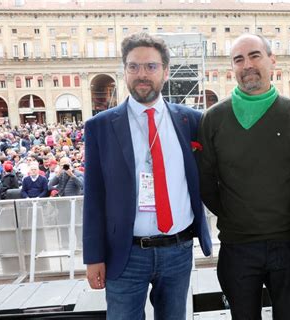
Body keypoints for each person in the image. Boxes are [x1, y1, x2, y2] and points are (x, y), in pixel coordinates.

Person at [82, 32, 211, 320]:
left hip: (178, 250)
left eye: (151, 66)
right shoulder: (100, 127)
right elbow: (94, 196)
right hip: (125, 254)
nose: (142, 74)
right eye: (134, 66)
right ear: (124, 70)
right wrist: (93, 257)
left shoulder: (191, 121)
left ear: (165, 71)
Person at [198, 34, 290, 319]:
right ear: (232, 68)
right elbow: (206, 182)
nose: (247, 64)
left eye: (254, 56)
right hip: (238, 247)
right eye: (239, 59)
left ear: (272, 61)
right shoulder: (214, 118)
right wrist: (237, 214)